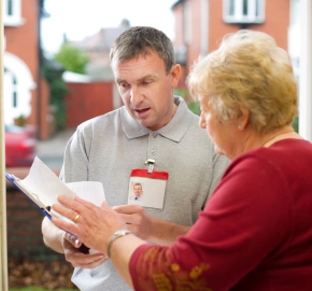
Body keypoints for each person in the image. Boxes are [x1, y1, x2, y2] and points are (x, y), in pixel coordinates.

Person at [51, 29, 312, 291]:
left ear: (241, 116)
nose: (201, 121)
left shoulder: (261, 172)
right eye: (124, 84)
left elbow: (179, 276)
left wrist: (111, 236)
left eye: (207, 111)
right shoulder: (300, 157)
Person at [41, 26, 229, 291]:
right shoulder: (88, 136)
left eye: (146, 82)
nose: (134, 98)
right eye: (124, 85)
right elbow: (51, 223)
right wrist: (67, 240)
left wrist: (153, 229)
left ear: (174, 75)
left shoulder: (214, 141)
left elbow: (223, 244)